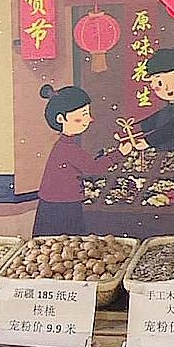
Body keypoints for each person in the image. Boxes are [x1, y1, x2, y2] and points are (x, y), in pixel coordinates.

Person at [34, 84, 117, 236]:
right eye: (83, 114)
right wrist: (119, 154)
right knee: (67, 242)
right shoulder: (67, 148)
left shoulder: (65, 145)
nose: (90, 119)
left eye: (88, 113)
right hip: (61, 205)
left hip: (58, 202)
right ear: (61, 119)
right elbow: (94, 169)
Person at [120, 47, 174, 154]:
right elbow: (149, 123)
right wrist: (129, 130)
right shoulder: (166, 110)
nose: (168, 88)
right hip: (165, 154)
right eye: (160, 83)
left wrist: (148, 142)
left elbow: (171, 129)